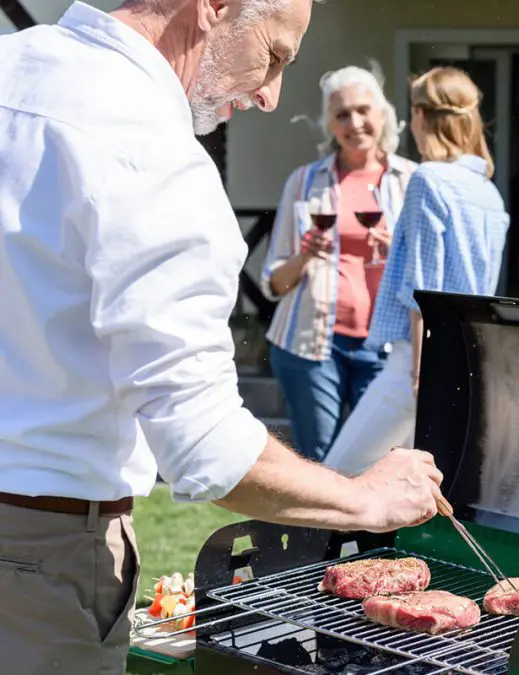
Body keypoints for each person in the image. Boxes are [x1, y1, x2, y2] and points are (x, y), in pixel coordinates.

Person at [0, 2, 444, 673]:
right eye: (273, 54)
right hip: (37, 557)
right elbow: (205, 447)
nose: (269, 95)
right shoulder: (155, 154)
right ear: (213, 7)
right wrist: (369, 498)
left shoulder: (12, 67)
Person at [322, 66, 511, 476]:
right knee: (402, 493)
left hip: (419, 362)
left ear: (422, 116)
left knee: (336, 475)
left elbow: (424, 290)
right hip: (466, 363)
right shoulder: (488, 193)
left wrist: (417, 375)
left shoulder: (428, 180)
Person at [261, 64, 417, 462]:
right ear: (329, 123)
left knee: (379, 459)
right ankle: (320, 530)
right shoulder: (305, 181)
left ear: (382, 115)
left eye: (363, 110)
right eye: (342, 114)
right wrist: (304, 256)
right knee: (320, 462)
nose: (355, 123)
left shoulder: (412, 181)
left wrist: (395, 251)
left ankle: (366, 529)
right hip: (312, 346)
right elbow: (273, 281)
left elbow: (424, 274)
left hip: (385, 347)